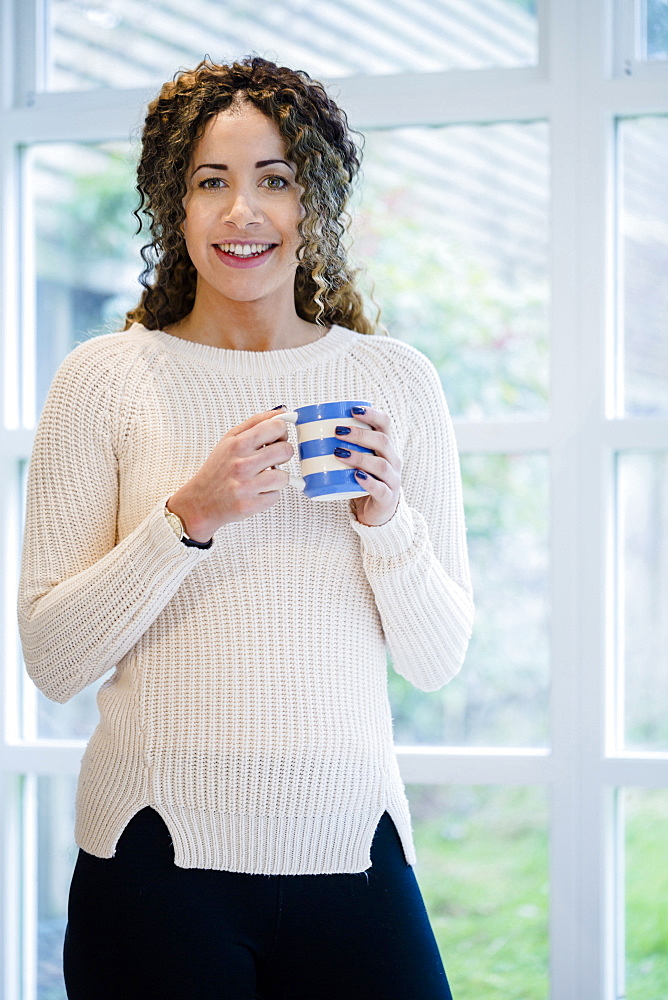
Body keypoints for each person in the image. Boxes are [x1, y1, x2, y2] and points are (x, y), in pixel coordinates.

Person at [18, 56, 474, 1000]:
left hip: (353, 845)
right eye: (210, 182)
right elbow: (52, 661)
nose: (242, 213)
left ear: (316, 203)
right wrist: (189, 516)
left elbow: (437, 659)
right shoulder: (105, 379)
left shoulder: (396, 382)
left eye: (274, 180)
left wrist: (387, 521)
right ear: (172, 207)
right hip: (154, 864)